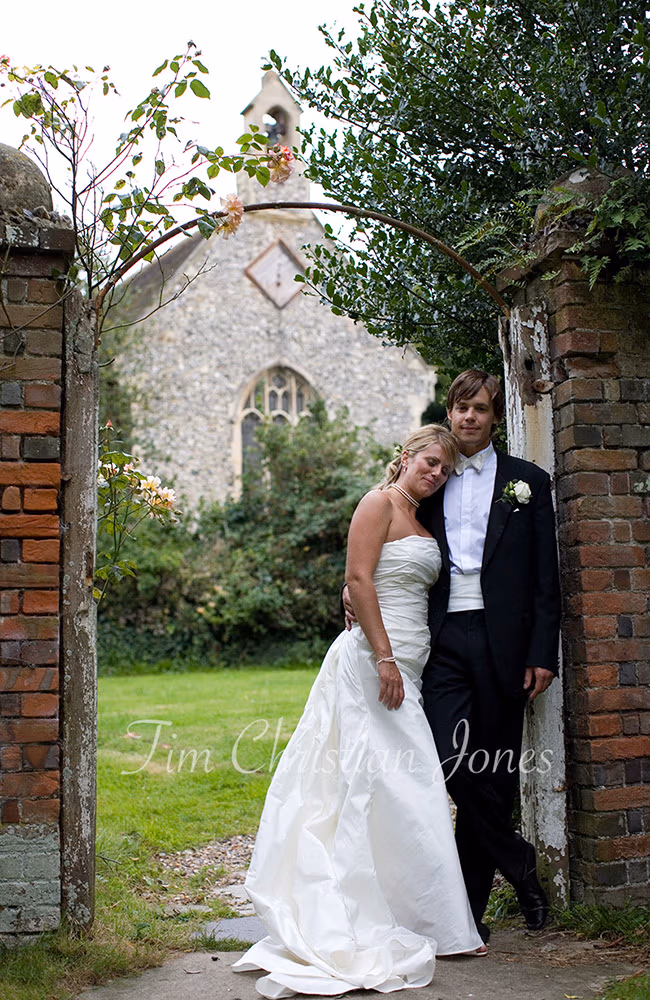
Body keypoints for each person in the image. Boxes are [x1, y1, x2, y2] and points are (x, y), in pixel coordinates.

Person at [233, 424, 485, 1000]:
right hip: (377, 665)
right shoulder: (378, 502)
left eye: (444, 468)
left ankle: (419, 916)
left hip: (410, 664)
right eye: (429, 462)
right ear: (405, 456)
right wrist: (385, 658)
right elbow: (358, 578)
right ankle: (438, 925)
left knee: (389, 787)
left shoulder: (422, 517)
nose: (436, 473)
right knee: (408, 782)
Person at [346, 370, 562, 943]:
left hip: (506, 644)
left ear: (496, 417)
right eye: (462, 408)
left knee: (493, 771)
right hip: (439, 643)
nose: (470, 418)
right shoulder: (428, 483)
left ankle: (467, 911)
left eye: (481, 410)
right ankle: (520, 864)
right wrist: (351, 592)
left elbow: (546, 577)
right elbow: (380, 553)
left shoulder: (528, 483)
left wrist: (542, 652)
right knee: (451, 763)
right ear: (451, 412)